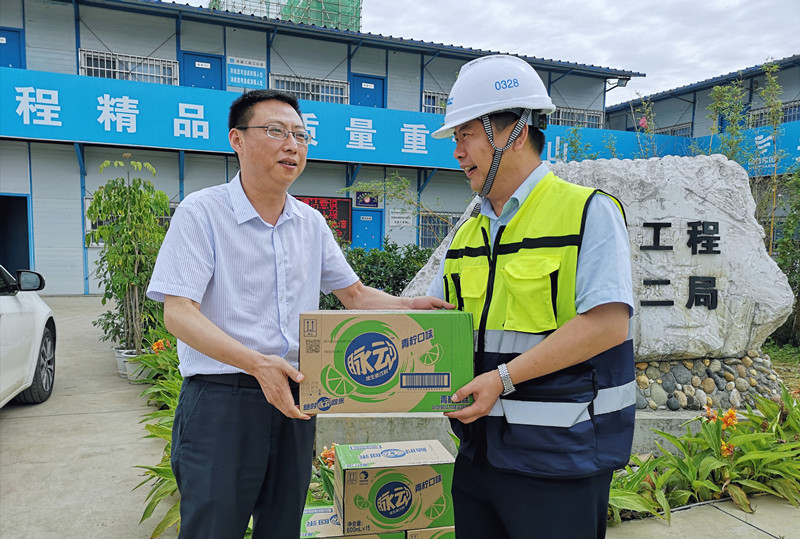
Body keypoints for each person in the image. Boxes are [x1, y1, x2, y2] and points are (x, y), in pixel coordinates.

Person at [146, 89, 450, 539]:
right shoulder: (202, 213)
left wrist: (411, 305)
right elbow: (179, 313)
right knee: (213, 528)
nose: (292, 145)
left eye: (300, 135)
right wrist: (256, 363)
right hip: (222, 402)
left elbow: (354, 295)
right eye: (276, 131)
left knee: (283, 526)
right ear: (237, 140)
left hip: (297, 400)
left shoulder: (310, 223)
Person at [427, 55, 636, 538]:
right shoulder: (467, 234)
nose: (457, 152)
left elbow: (607, 325)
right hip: (478, 455)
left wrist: (502, 379)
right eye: (456, 138)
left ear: (515, 133)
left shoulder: (587, 212)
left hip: (560, 458)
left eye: (466, 135)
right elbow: (435, 322)